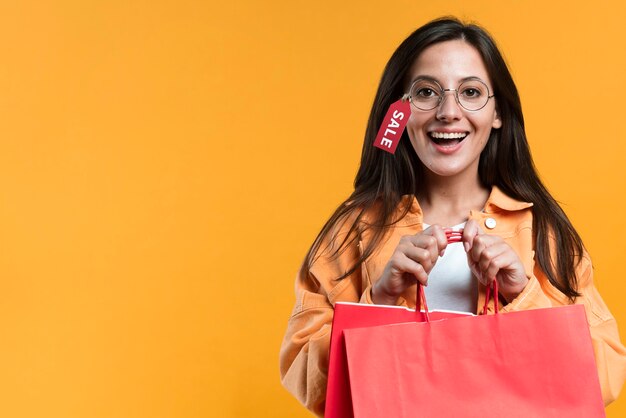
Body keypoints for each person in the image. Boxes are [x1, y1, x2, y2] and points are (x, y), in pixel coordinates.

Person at [279, 17, 626, 416]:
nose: (448, 112)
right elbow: (306, 379)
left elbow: (605, 375)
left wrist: (523, 295)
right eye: (426, 92)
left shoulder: (544, 232)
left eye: (471, 92)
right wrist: (380, 301)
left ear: (498, 114)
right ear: (399, 112)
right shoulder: (353, 230)